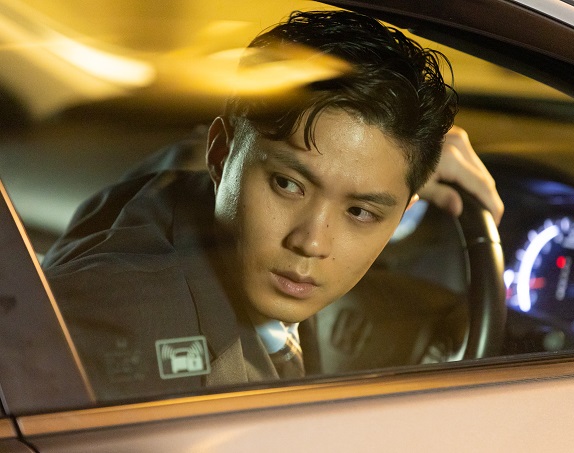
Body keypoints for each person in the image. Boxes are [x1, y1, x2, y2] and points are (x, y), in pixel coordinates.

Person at [43, 10, 503, 401]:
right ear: (219, 155)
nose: (312, 243)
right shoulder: (118, 337)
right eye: (288, 185)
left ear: (404, 211)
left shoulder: (159, 196)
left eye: (360, 212)